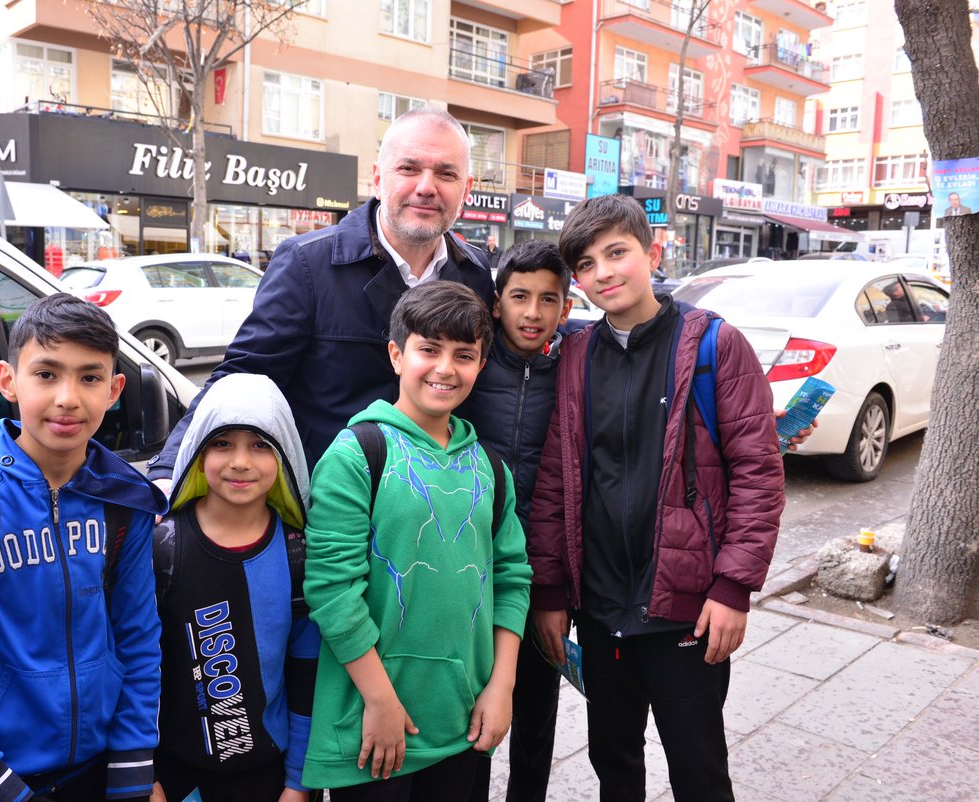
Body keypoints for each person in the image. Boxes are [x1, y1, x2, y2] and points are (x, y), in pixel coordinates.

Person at [530, 194, 786, 802]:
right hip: (599, 607)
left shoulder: (713, 347)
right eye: (587, 265)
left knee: (698, 769)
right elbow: (555, 481)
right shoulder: (576, 355)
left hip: (687, 609)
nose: (605, 273)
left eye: (617, 253)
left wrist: (733, 589)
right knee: (613, 764)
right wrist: (549, 591)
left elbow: (758, 472)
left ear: (653, 251)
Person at [0, 293, 168, 802]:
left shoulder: (123, 501)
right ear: (7, 380)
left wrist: (132, 772)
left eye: (89, 377)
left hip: (96, 774)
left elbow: (140, 645)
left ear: (115, 389)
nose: (68, 397)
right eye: (46, 374)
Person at [145, 108, 493, 483]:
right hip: (326, 505)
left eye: (446, 173)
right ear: (378, 178)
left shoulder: (475, 273)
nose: (426, 186)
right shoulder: (307, 263)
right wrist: (168, 472)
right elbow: (244, 377)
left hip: (433, 505)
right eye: (408, 169)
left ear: (466, 189)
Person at [301, 281, 531, 799]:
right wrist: (380, 702)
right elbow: (332, 590)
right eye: (429, 349)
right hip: (375, 729)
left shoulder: (489, 467)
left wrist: (502, 686)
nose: (445, 368)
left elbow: (512, 580)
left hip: (465, 723)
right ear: (396, 354)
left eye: (464, 355)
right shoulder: (357, 453)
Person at [151, 373, 320, 802]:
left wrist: (299, 784)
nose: (241, 461)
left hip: (271, 778)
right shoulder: (160, 546)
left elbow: (308, 676)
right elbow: (135, 670)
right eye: (222, 442)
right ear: (196, 452)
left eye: (261, 444)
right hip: (177, 779)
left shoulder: (297, 552)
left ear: (285, 454)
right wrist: (144, 775)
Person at [456, 240, 572, 802]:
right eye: (520, 296)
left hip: (543, 571)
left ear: (566, 309)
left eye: (548, 299)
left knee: (536, 712)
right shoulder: (469, 367)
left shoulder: (576, 369)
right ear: (496, 303)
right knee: (469, 712)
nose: (533, 313)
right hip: (469, 567)